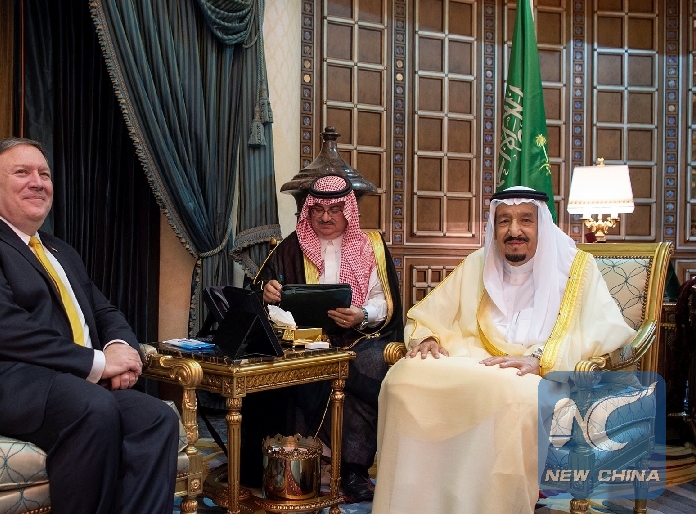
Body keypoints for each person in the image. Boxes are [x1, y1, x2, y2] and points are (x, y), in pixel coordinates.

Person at [0, 137, 179, 514]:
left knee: (156, 418)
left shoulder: (60, 250)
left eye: (44, 174)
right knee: (91, 406)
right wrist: (98, 364)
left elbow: (104, 310)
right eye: (22, 172)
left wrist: (119, 347)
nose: (37, 182)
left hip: (61, 379)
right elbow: (1, 328)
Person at [372, 187, 635, 514]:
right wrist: (428, 337)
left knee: (514, 397)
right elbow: (432, 313)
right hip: (475, 360)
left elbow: (601, 330)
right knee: (404, 377)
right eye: (504, 221)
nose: (514, 231)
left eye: (526, 220)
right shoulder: (478, 263)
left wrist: (540, 358)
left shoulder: (577, 269)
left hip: (541, 373)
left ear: (542, 225)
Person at [246, 173, 404, 503]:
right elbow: (262, 290)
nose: (326, 217)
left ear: (349, 210)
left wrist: (362, 314)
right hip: (304, 340)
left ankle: (353, 469)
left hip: (359, 336)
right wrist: (267, 292)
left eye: (334, 210)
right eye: (318, 209)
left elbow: (384, 300)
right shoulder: (292, 246)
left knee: (369, 365)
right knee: (292, 370)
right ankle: (298, 462)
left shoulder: (371, 245)